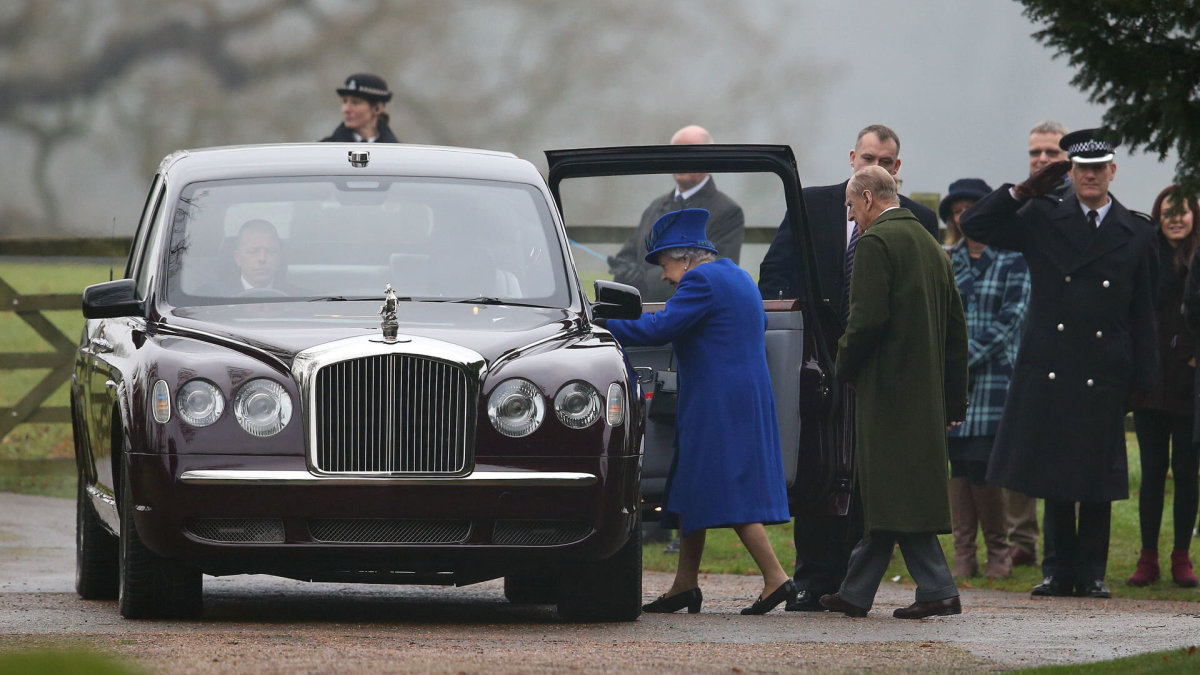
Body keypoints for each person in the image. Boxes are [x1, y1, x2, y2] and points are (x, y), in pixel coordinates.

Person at [960, 128, 1159, 598]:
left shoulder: (1136, 230)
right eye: (1081, 169)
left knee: (1096, 474)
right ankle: (1056, 570)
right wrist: (1021, 190)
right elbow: (976, 226)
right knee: (1053, 473)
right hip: (1051, 361)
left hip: (1105, 365)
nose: (1089, 177)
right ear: (1071, 172)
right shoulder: (1042, 216)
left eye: (1098, 168)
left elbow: (1143, 312)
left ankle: (1090, 572)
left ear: (1112, 171)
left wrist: (1145, 376)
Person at [757, 123, 938, 613]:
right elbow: (775, 272)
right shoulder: (811, 204)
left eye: (885, 160)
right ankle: (814, 578)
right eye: (867, 158)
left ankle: (854, 586)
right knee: (818, 470)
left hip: (880, 368)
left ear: (897, 168)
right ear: (852, 157)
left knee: (868, 476)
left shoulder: (918, 220)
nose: (873, 166)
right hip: (817, 360)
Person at [604, 208, 796, 615]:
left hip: (717, 401)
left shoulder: (700, 280)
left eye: (664, 263)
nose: (663, 275)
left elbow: (658, 330)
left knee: (728, 487)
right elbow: (753, 324)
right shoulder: (737, 276)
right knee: (692, 485)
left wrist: (601, 323)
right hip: (743, 396)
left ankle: (776, 578)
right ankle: (685, 585)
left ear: (685, 257)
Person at [817, 166, 969, 619]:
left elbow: (865, 322)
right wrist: (954, 397)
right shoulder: (931, 245)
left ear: (866, 198)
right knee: (890, 492)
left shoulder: (876, 242)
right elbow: (956, 329)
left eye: (850, 205)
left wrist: (840, 367)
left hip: (887, 394)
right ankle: (857, 592)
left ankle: (939, 590)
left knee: (895, 493)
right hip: (925, 396)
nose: (850, 215)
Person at [941, 178, 1030, 579]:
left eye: (971, 208)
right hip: (954, 385)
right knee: (957, 462)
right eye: (957, 210)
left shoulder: (1014, 258)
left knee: (984, 462)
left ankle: (998, 550)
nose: (964, 217)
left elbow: (1011, 321)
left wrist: (964, 359)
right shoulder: (946, 259)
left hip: (995, 381)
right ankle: (964, 553)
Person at [1005, 120, 1072, 570]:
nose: (1042, 161)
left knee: (1071, 444)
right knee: (1020, 442)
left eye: (1050, 153)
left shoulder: (1083, 203)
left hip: (1068, 343)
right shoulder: (1023, 206)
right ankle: (1021, 537)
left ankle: (1071, 543)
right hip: (1021, 339)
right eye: (1035, 153)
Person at [1133, 186, 1200, 587]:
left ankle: (1181, 558)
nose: (1175, 218)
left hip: (1190, 381)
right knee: (1153, 472)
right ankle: (1148, 557)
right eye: (1168, 212)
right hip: (1150, 379)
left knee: (1188, 473)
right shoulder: (1146, 257)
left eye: (1183, 212)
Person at [607, 125, 744, 302]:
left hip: (688, 311)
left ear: (709, 159)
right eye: (675, 154)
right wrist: (622, 271)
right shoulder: (656, 205)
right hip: (642, 311)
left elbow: (713, 272)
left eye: (689, 154)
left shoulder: (727, 211)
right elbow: (630, 251)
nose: (681, 161)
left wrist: (643, 280)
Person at [320, 73, 400, 143]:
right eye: (344, 102)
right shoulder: (324, 150)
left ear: (377, 108)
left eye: (356, 103)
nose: (346, 109)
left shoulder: (399, 154)